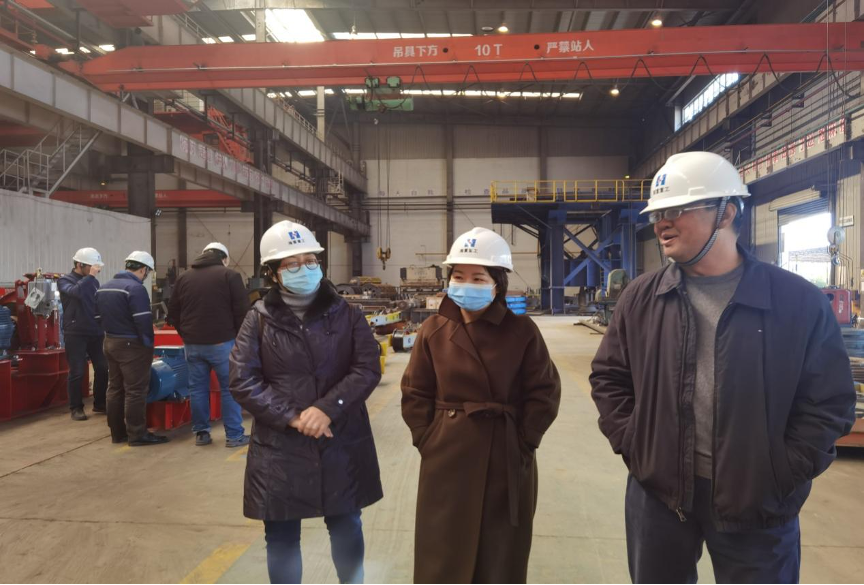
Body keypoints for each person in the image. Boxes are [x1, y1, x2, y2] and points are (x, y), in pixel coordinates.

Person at [590, 151, 857, 584]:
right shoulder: (641, 298)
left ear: (726, 212)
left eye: (676, 210)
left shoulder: (796, 302)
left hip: (757, 501)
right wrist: (637, 446)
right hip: (659, 494)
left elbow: (829, 401)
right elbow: (609, 377)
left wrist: (781, 471)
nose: (661, 224)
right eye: (657, 213)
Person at [401, 226, 561, 584]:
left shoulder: (522, 331)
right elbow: (415, 391)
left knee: (499, 553)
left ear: (496, 284)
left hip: (506, 453)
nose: (466, 285)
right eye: (459, 276)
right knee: (443, 548)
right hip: (447, 455)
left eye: (478, 278)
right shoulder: (433, 330)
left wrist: (524, 441)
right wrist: (427, 438)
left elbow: (544, 391)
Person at [230, 220, 383, 585]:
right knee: (281, 536)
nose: (305, 268)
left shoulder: (347, 314)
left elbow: (367, 367)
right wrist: (294, 417)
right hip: (280, 447)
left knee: (346, 524)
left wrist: (327, 408)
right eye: (292, 263)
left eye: (310, 260)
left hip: (340, 439)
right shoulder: (258, 320)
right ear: (273, 273)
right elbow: (242, 379)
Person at [168, 242, 250, 448]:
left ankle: (201, 433)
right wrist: (240, 339)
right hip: (222, 343)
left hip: (192, 344)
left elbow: (173, 312)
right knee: (229, 389)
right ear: (224, 258)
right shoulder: (230, 276)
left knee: (197, 389)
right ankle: (234, 435)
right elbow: (242, 312)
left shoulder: (184, 278)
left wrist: (186, 334)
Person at [96, 251, 169, 447]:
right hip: (131, 346)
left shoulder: (104, 287)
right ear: (143, 269)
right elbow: (143, 320)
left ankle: (117, 433)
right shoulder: (135, 289)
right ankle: (137, 434)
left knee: (115, 388)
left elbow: (97, 317)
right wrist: (148, 344)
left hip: (110, 341)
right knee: (135, 391)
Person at [58, 247, 108, 421]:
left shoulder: (92, 281)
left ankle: (100, 403)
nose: (96, 270)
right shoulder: (65, 281)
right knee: (77, 371)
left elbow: (96, 303)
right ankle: (76, 407)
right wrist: (90, 277)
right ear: (80, 265)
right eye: (92, 267)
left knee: (103, 368)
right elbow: (76, 292)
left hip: (95, 331)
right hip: (76, 333)